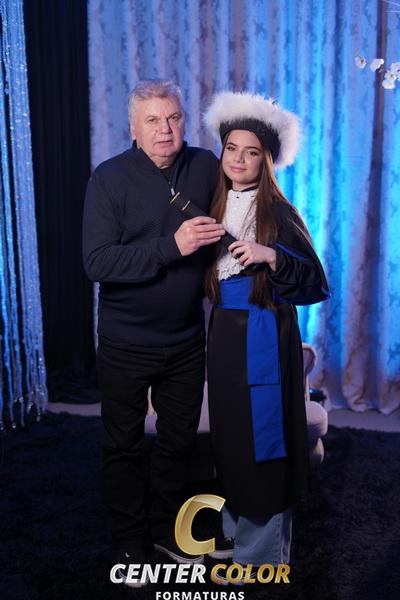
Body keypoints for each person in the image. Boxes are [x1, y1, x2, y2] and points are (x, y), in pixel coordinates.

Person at [82, 79, 230, 584]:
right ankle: (129, 539)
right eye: (152, 120)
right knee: (123, 445)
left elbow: (240, 211)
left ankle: (168, 529)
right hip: (125, 341)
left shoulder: (205, 166)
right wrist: (174, 246)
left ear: (184, 121)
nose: (165, 130)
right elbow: (97, 262)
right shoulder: (109, 179)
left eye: (173, 118)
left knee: (177, 442)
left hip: (186, 339)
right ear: (134, 128)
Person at [203, 91, 330, 573]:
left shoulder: (279, 211)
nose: (239, 159)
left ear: (267, 159)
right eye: (231, 148)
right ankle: (237, 539)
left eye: (251, 151)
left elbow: (316, 283)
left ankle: (261, 560)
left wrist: (272, 255)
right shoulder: (212, 203)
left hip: (264, 334)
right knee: (232, 439)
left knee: (264, 440)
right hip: (225, 335)